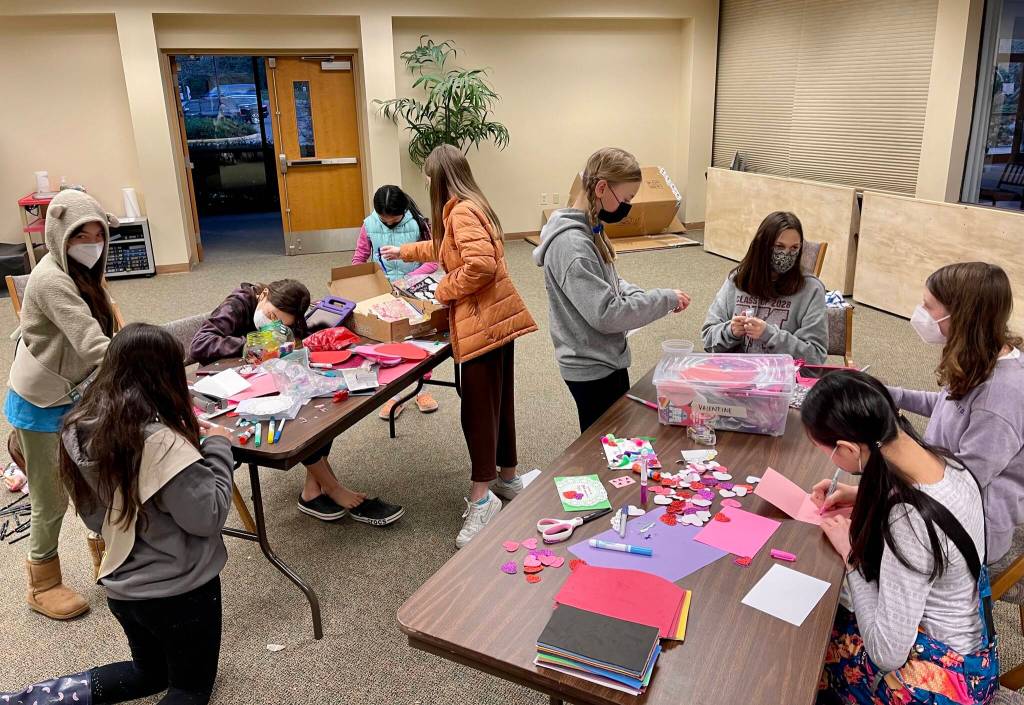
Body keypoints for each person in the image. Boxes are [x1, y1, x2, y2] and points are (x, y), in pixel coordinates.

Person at [2, 323, 234, 705]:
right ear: (166, 377)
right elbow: (207, 517)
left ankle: (30, 699)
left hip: (124, 590)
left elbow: (95, 519)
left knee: (149, 672)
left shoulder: (76, 430)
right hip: (179, 594)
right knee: (189, 689)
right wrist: (219, 448)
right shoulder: (163, 446)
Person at [803, 371, 998, 705]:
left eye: (826, 451)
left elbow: (886, 654)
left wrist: (851, 555)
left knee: (811, 643)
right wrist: (858, 493)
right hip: (972, 645)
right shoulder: (947, 464)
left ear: (847, 449)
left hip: (942, 675)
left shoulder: (908, 520)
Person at [382, 144, 537, 548]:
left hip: (481, 324)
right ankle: (507, 477)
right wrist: (405, 251)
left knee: (478, 411)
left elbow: (480, 265)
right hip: (495, 320)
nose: (427, 185)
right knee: (497, 402)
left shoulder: (462, 211)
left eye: (428, 179)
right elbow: (448, 248)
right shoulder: (468, 205)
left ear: (439, 179)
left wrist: (442, 289)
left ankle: (482, 497)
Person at [190, 280, 403, 526]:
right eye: (271, 315)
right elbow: (200, 344)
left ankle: (313, 488)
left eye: (281, 323)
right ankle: (331, 487)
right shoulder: (239, 303)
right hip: (225, 390)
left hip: (260, 380)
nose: (272, 324)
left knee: (320, 405)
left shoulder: (289, 319)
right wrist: (253, 345)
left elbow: (300, 340)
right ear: (264, 295)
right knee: (298, 417)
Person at [4, 189, 119, 620]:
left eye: (98, 235)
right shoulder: (51, 280)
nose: (92, 244)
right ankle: (43, 583)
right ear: (59, 236)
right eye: (80, 237)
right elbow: (93, 344)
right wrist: (146, 368)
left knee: (97, 478)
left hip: (78, 392)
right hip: (41, 403)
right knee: (49, 499)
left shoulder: (83, 271)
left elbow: (102, 330)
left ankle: (109, 553)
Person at [533, 147, 690, 432]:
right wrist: (663, 299)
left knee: (616, 435)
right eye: (626, 199)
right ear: (602, 188)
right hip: (591, 366)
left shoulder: (590, 227)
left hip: (604, 356)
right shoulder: (572, 246)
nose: (627, 206)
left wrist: (641, 297)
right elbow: (607, 314)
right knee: (605, 441)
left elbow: (610, 281)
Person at [885, 262, 1024, 572]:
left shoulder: (999, 398)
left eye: (928, 306)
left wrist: (894, 460)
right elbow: (948, 405)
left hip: (971, 528)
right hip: (939, 491)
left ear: (961, 316)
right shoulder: (981, 358)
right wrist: (891, 394)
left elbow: (964, 480)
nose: (920, 312)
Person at [352, 184, 441, 419]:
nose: (389, 224)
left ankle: (422, 389)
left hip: (413, 289)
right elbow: (359, 258)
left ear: (404, 211)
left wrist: (408, 280)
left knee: (419, 340)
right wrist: (360, 282)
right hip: (383, 292)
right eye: (384, 220)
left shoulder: (418, 223)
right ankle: (393, 396)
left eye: (394, 220)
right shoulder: (369, 225)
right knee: (387, 343)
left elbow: (434, 260)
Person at [701, 211, 827, 363]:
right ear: (762, 246)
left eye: (794, 248)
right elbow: (708, 339)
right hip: (735, 371)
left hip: (783, 375)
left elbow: (815, 357)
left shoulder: (811, 289)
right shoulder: (738, 280)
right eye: (779, 246)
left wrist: (770, 335)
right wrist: (730, 332)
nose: (786, 254)